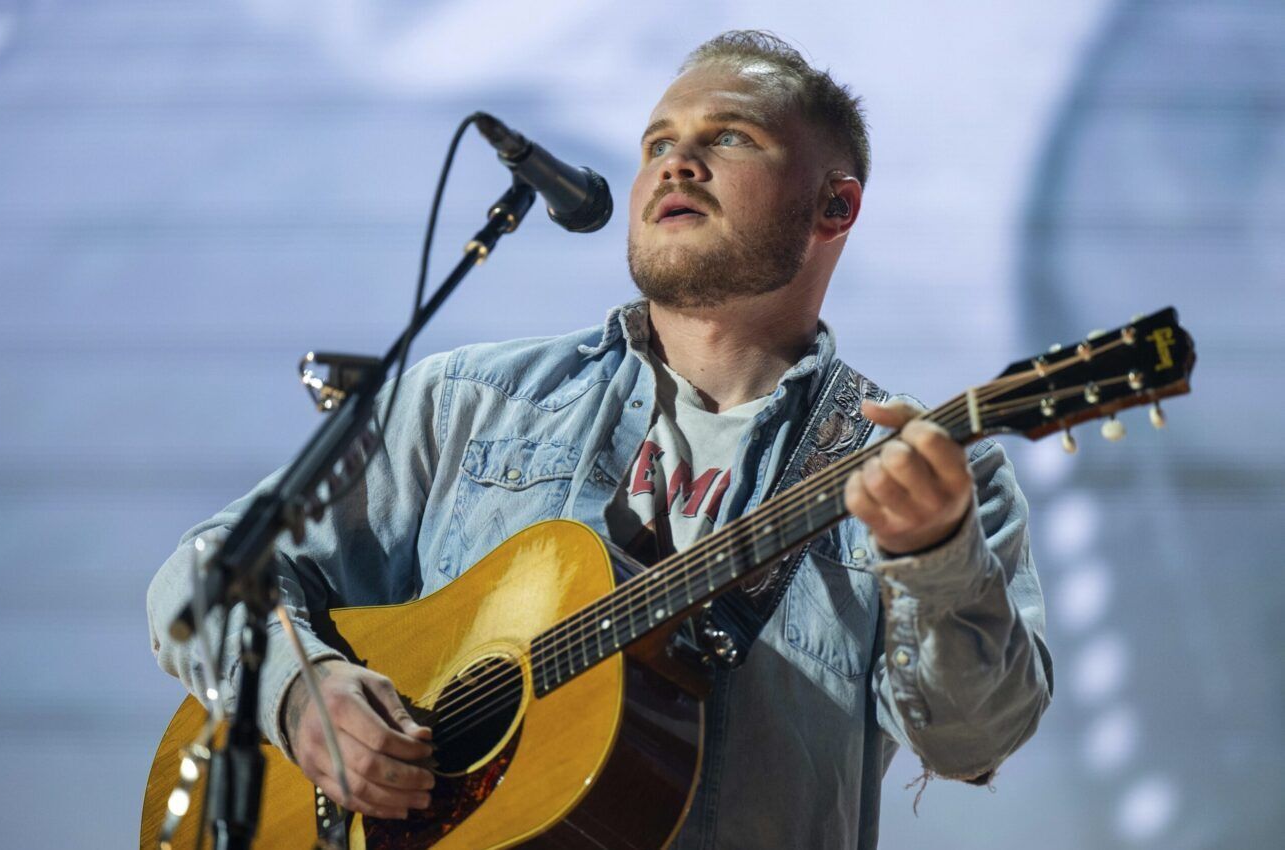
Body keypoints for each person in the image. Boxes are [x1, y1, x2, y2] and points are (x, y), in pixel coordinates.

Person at [147, 30, 1052, 849]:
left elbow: (973, 739)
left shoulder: (930, 472)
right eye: (658, 143)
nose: (678, 162)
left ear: (835, 207)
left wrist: (935, 554)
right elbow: (205, 575)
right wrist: (300, 691)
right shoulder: (472, 403)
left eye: (731, 138)